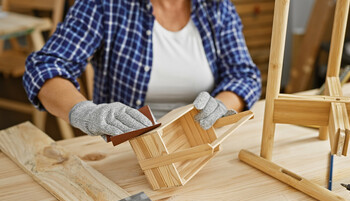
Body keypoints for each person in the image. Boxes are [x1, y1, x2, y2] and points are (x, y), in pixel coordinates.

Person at [23, 0, 261, 137]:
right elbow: (45, 67)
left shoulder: (217, 6)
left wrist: (221, 107)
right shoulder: (104, 5)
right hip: (129, 148)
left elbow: (243, 75)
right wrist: (85, 113)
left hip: (202, 143)